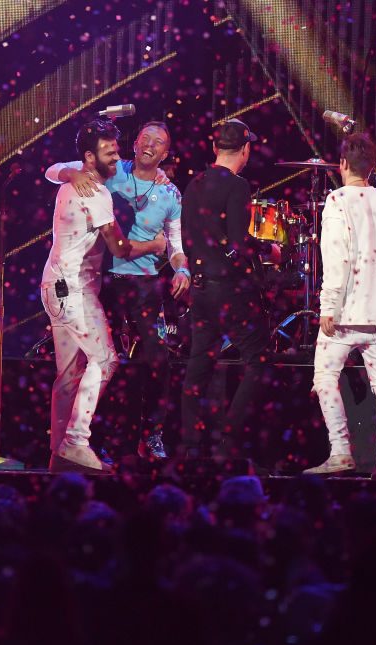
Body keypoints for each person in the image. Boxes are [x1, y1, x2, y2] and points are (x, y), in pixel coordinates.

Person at [45, 121, 189, 459]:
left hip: (144, 286)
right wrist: (72, 173)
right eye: (145, 138)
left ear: (166, 153)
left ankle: (150, 435)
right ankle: (88, 442)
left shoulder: (171, 193)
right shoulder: (111, 169)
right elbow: (53, 170)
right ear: (135, 144)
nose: (150, 144)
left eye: (159, 142)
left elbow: (176, 245)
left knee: (156, 360)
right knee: (102, 362)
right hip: (105, 281)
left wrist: (181, 268)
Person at [302, 133, 376, 480]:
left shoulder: (337, 200)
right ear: (371, 168)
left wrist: (328, 305)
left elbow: (336, 256)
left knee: (325, 377)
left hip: (346, 312)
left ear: (342, 164)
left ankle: (341, 452)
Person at [179, 118, 270, 459]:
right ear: (245, 150)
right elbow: (238, 243)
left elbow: (188, 237)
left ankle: (191, 445)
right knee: (258, 361)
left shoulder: (194, 184)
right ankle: (228, 444)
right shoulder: (237, 186)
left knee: (198, 365)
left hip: (200, 287)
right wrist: (266, 251)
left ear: (215, 148)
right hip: (227, 289)